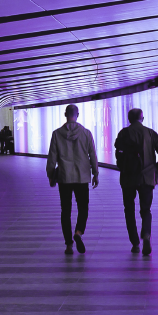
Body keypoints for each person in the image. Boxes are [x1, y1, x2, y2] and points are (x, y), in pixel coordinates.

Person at [114, 108, 158, 255]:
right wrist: (157, 167)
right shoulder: (150, 133)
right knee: (146, 210)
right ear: (142, 119)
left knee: (129, 210)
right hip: (146, 177)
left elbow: (118, 153)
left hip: (127, 178)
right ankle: (146, 234)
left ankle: (135, 243)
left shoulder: (123, 133)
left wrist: (122, 167)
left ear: (129, 119)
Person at [46, 104, 99, 255]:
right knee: (83, 208)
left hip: (64, 177)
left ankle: (69, 245)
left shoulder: (56, 134)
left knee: (65, 211)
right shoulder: (86, 133)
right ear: (78, 114)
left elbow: (52, 158)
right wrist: (95, 173)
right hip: (82, 177)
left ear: (65, 114)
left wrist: (51, 175)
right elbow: (92, 156)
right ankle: (78, 232)